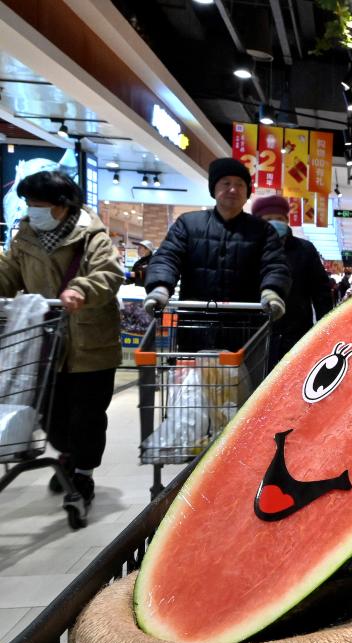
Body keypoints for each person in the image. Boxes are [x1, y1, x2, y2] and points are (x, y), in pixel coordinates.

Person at [0, 170, 122, 507]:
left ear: (63, 206)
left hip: (91, 344)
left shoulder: (93, 236)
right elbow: (9, 275)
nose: (32, 210)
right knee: (51, 415)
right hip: (46, 345)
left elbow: (108, 273)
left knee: (87, 416)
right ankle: (68, 455)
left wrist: (82, 289)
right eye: (29, 204)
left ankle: (83, 473)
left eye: (39, 204)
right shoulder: (25, 237)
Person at [143, 158, 291, 337]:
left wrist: (272, 291)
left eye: (240, 184)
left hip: (246, 328)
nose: (233, 189)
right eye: (226, 183)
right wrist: (160, 287)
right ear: (214, 188)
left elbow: (274, 265)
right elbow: (167, 257)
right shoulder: (188, 224)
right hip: (194, 325)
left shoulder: (263, 230)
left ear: (247, 192)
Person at [250, 195, 334, 367]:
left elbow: (321, 291)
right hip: (256, 334)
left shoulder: (305, 249)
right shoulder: (249, 249)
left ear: (287, 221)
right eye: (268, 219)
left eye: (280, 218)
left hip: (296, 333)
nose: (275, 223)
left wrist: (326, 329)